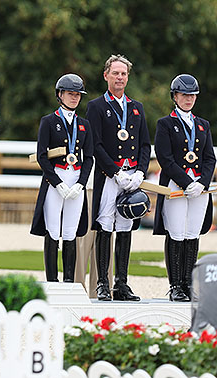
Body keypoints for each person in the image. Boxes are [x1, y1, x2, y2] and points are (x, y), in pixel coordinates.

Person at [86, 55, 151, 301]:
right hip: (109, 175)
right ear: (106, 75)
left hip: (132, 175)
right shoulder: (96, 106)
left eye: (123, 74)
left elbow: (145, 144)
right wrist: (115, 172)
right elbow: (96, 145)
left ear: (127, 77)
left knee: (125, 227)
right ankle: (102, 282)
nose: (120, 78)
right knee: (105, 225)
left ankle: (121, 283)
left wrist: (141, 172)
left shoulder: (136, 107)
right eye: (115, 73)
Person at [153, 74, 215, 301]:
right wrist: (187, 182)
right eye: (184, 95)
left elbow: (209, 158)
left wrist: (201, 183)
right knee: (176, 233)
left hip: (199, 188)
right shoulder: (165, 124)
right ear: (175, 97)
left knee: (192, 234)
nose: (188, 99)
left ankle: (189, 283)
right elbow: (165, 158)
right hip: (176, 186)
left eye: (192, 96)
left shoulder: (203, 125)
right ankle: (175, 285)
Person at [30, 74, 93, 283]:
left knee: (70, 231)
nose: (74, 98)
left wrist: (81, 183)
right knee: (53, 230)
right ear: (60, 95)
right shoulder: (48, 121)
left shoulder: (84, 124)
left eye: (77, 95)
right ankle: (51, 280)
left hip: (76, 178)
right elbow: (41, 156)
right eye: (70, 94)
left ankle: (68, 280)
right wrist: (57, 183)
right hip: (55, 178)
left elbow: (89, 158)